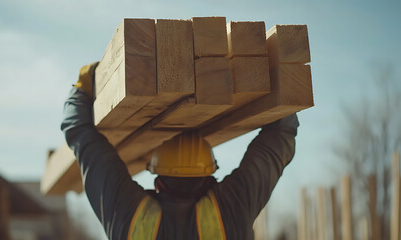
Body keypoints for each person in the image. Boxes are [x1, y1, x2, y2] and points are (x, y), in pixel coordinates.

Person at [61, 63, 300, 240]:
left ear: (158, 180)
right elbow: (278, 140)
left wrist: (80, 89)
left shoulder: (128, 215)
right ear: (210, 176)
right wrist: (277, 69)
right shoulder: (233, 208)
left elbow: (82, 137)